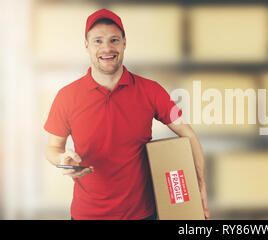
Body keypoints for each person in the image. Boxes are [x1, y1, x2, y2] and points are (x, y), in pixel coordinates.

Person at [44, 9, 210, 220]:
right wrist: (63, 160)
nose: (107, 48)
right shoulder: (67, 96)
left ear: (124, 43)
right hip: (87, 215)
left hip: (142, 214)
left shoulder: (152, 91)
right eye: (98, 41)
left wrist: (201, 187)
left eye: (114, 40)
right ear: (86, 46)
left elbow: (189, 135)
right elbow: (52, 148)